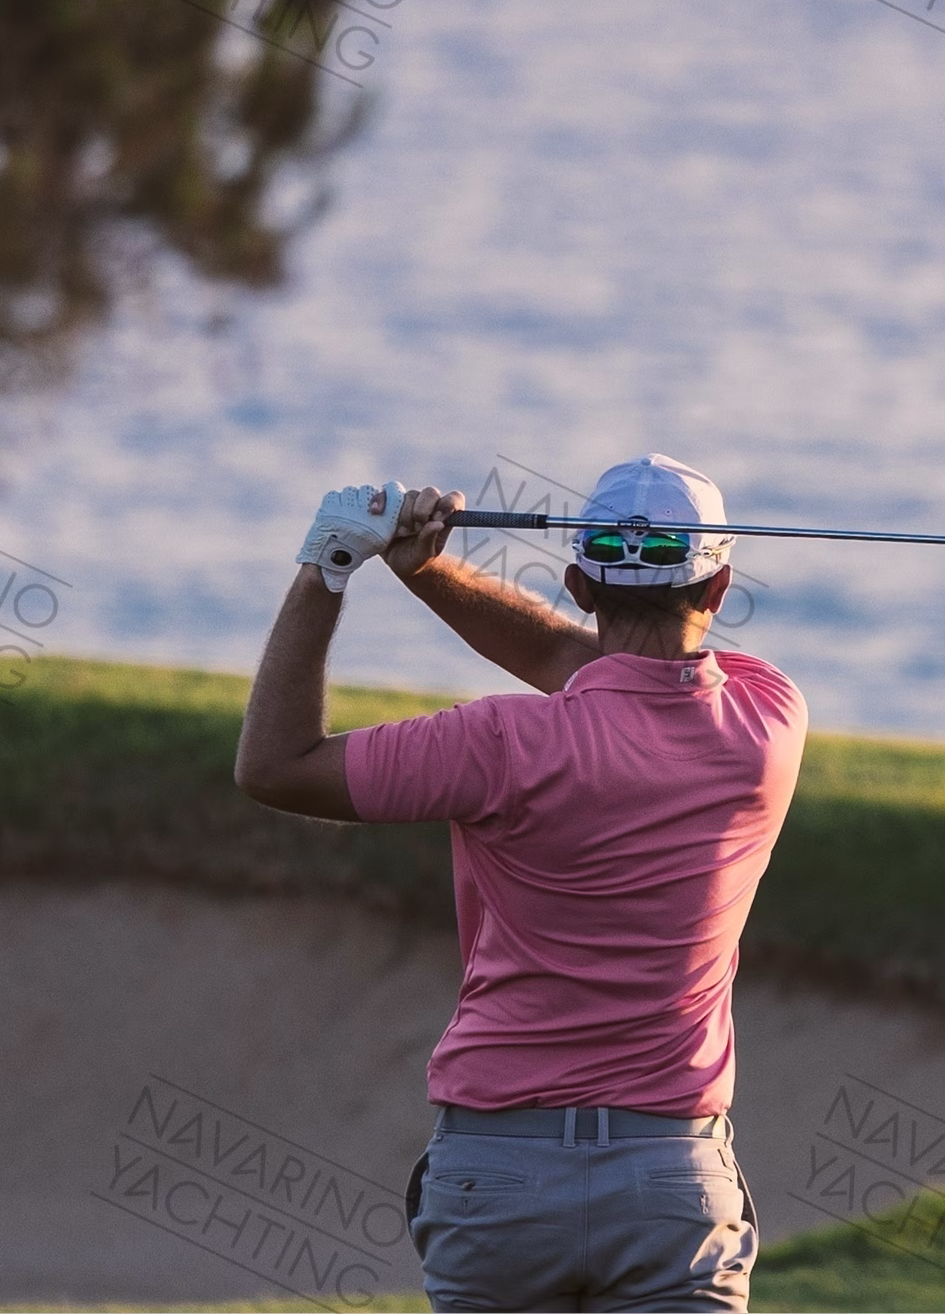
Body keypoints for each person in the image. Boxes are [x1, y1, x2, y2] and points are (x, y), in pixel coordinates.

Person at [234, 454, 808, 1312]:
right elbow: (580, 663)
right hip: (672, 1187)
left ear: (578, 583)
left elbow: (277, 766)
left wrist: (332, 566)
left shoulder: (497, 744)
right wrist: (424, 570)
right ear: (720, 589)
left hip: (497, 1183)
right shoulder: (766, 719)